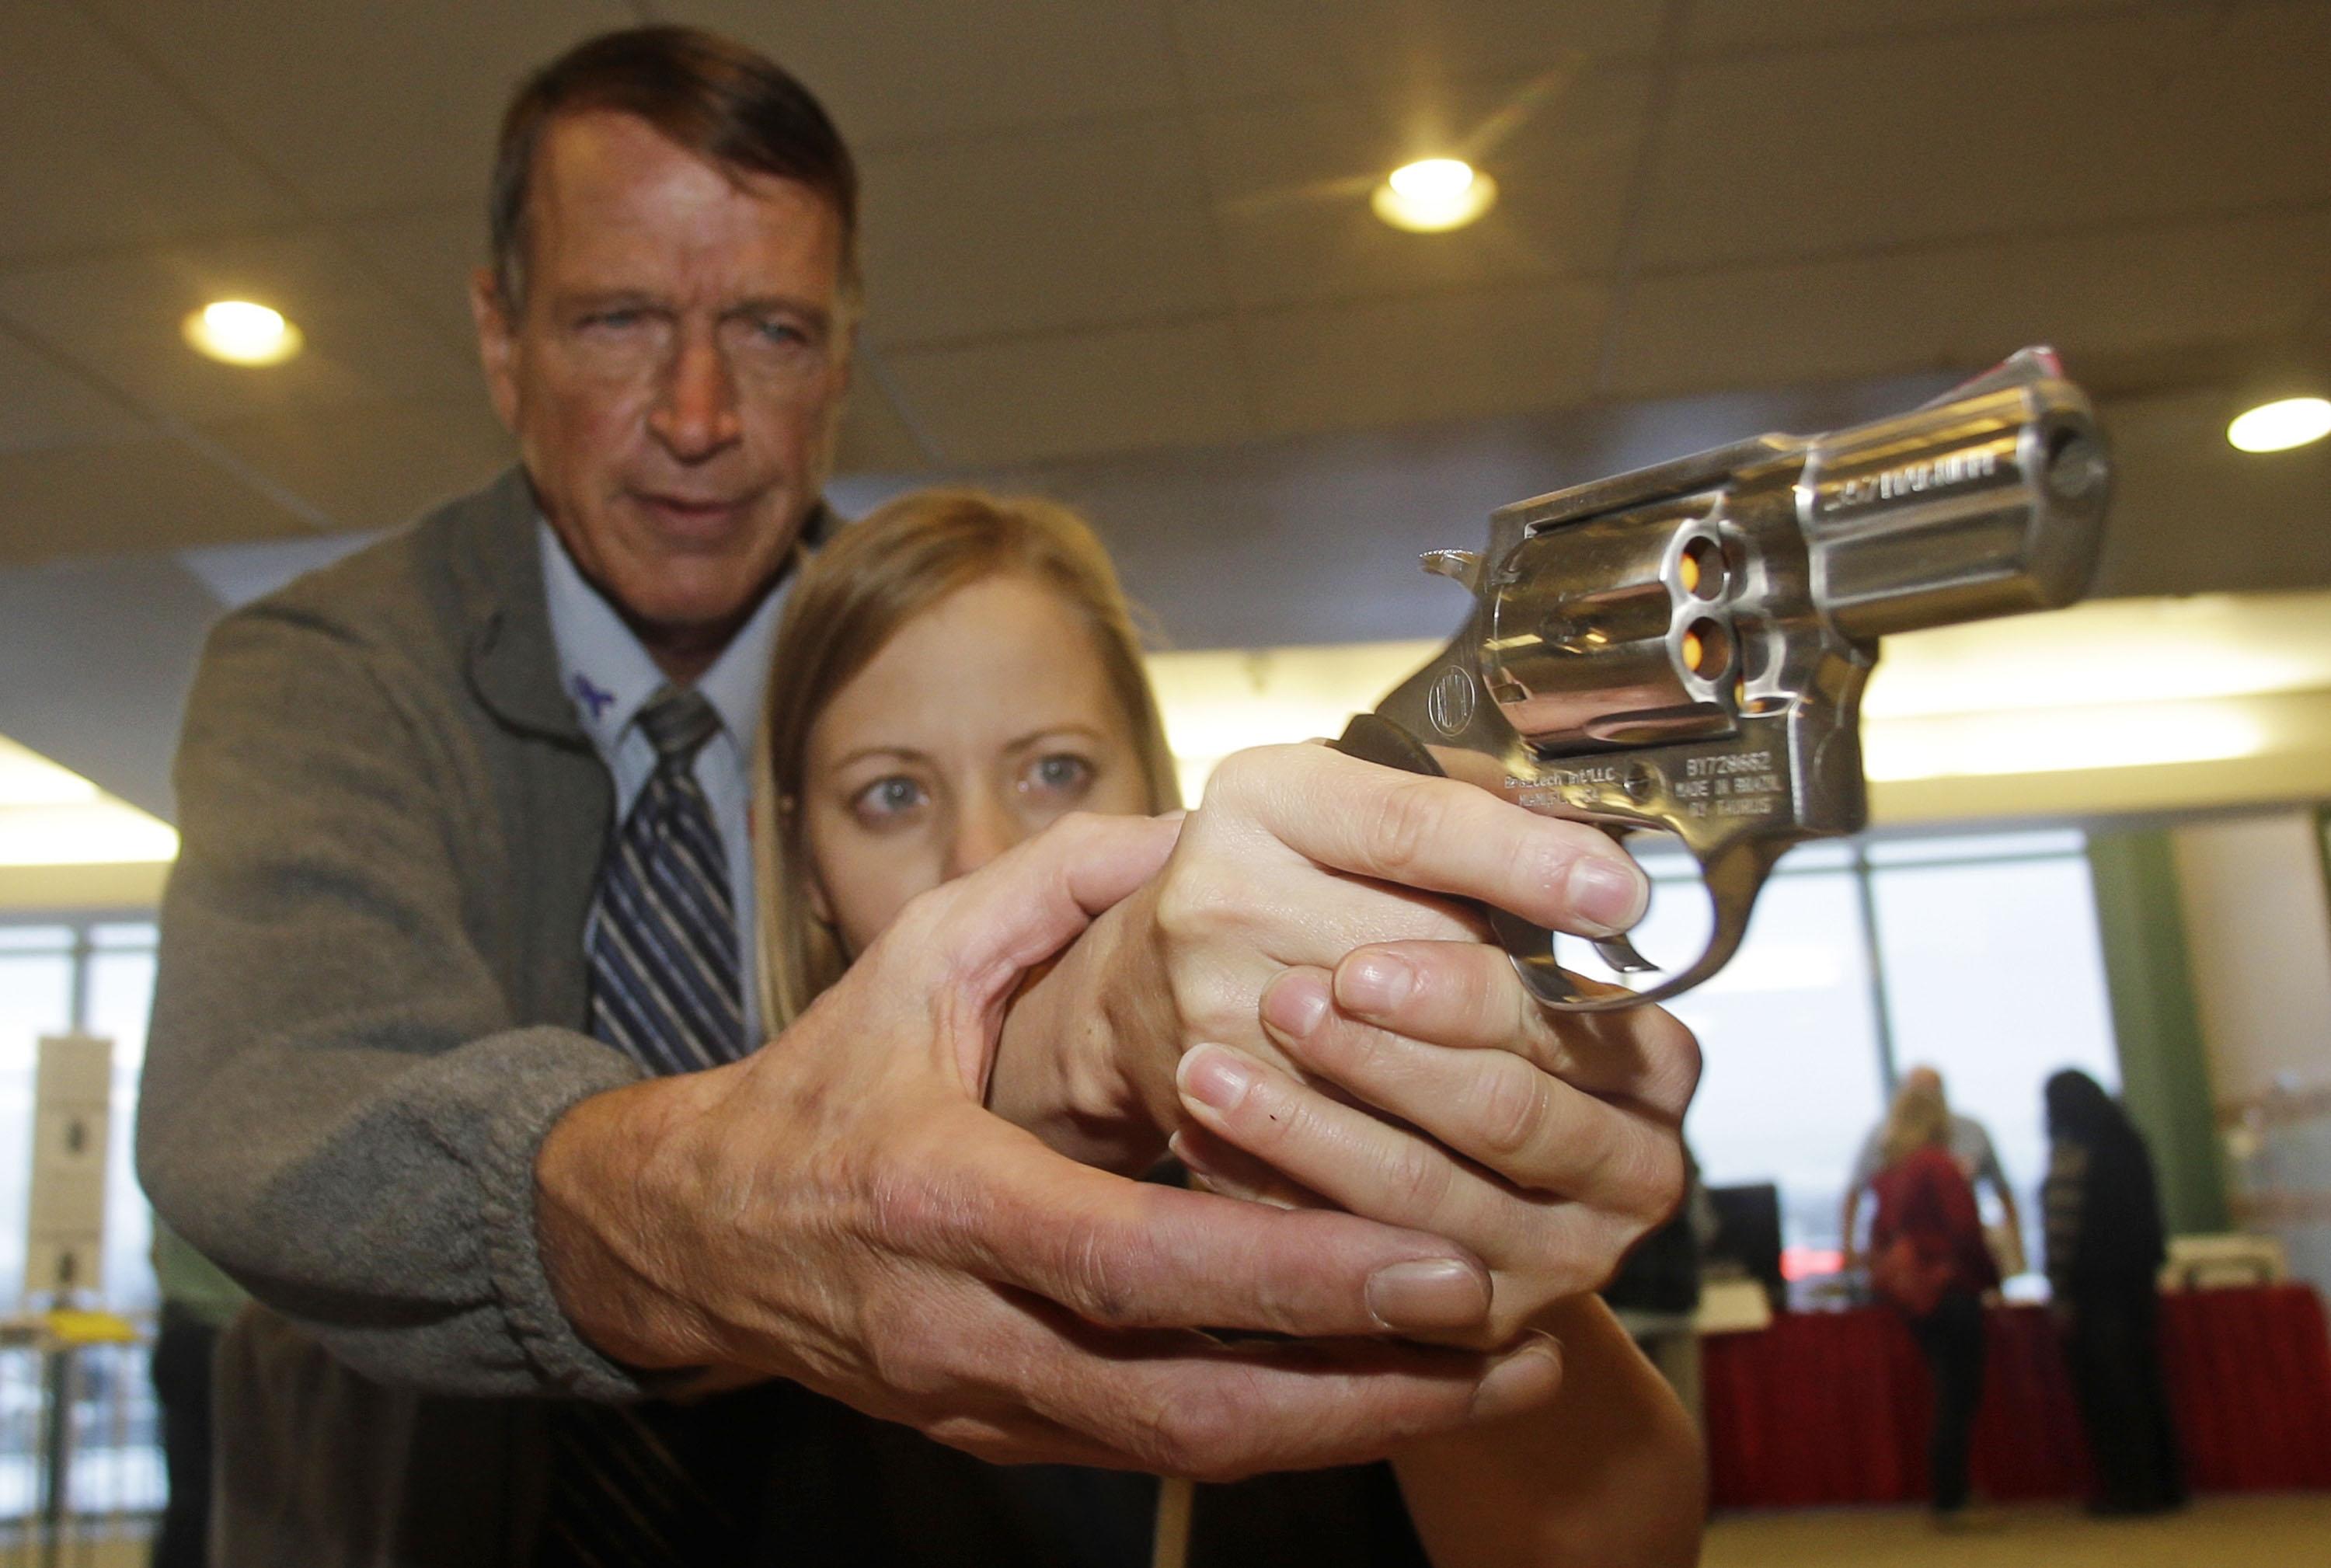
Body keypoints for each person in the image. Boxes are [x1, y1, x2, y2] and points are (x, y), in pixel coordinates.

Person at [134, 25, 1699, 1566]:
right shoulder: (334, 670)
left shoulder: (910, 636)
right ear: (500, 338)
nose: (696, 415)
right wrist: (741, 1207)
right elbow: (285, 1107)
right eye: (617, 321)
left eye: (772, 331)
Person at [751, 486, 1705, 1567]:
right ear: (804, 865)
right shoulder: (735, 1209)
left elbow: (1628, 1529)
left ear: (1149, 787)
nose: (981, 854)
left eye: (1054, 770)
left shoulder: (1271, 1132)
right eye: (890, 795)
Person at [2043, 1068, 2185, 1517]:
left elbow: (2062, 1230)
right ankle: (2163, 1482)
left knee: (2109, 1393)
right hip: (2136, 1283)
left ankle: (2128, 1488)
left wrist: (2060, 1288)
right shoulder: (2128, 1142)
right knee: (2143, 1382)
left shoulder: (2073, 1154)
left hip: (2093, 1287)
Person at [1866, 1073, 1999, 1524]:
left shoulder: (1889, 1173)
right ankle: (1951, 1497)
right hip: (1951, 1288)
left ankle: (1951, 1491)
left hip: (1913, 1297)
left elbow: (1879, 1236)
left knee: (1944, 1389)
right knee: (1958, 1393)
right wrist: (1991, 1277)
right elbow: (1965, 1230)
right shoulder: (1940, 1166)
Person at [1841, 1065, 2023, 1275]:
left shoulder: (1965, 1135)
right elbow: (1964, 1227)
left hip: (1917, 1268)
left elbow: (2000, 1194)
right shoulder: (1922, 1158)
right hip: (1940, 1269)